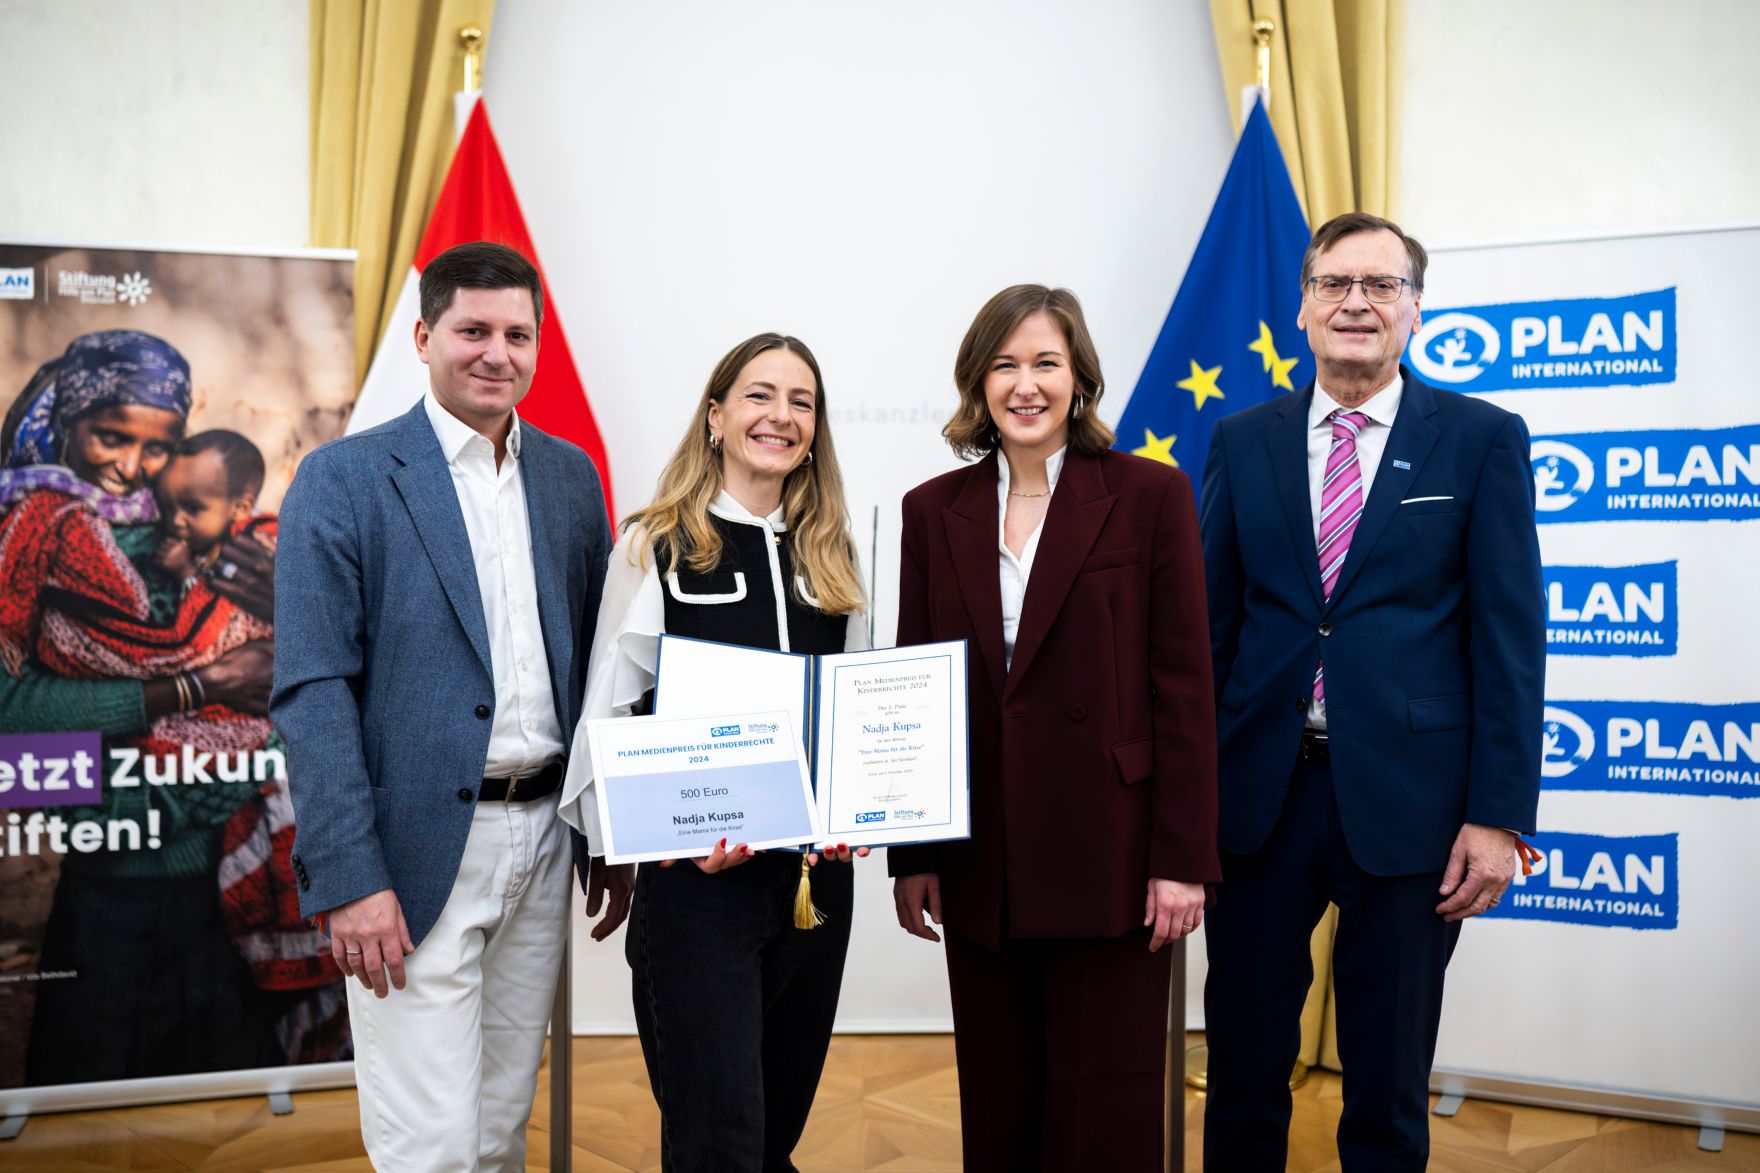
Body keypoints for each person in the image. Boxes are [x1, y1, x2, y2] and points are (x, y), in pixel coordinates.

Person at [272, 241, 630, 1171]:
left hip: (545, 836)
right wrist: (349, 873)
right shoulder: (342, 479)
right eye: (473, 330)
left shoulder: (571, 478)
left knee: (499, 1133)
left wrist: (611, 828)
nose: (495, 353)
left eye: (517, 334)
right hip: (414, 853)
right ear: (425, 336)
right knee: (429, 1147)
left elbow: (601, 671)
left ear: (538, 346)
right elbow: (311, 691)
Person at [1198, 213, 1544, 1170]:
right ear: (1304, 306)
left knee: (1389, 1080)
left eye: (1381, 285)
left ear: (1415, 309)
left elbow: (1511, 639)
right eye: (1335, 284)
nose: (1356, 302)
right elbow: (1211, 633)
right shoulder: (1241, 438)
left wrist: (1498, 815)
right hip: (1259, 799)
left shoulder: (1480, 439)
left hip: (1414, 806)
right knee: (1242, 1063)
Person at [888, 285, 1219, 1170]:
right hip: (979, 853)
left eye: (1045, 362)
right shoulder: (933, 508)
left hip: (1110, 848)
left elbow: (1184, 686)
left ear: (1080, 380)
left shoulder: (1150, 495)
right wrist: (913, 852)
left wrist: (1182, 857)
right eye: (1005, 364)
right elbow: (912, 693)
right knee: (998, 1109)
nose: (1025, 384)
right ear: (977, 383)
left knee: (1105, 1110)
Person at [557, 332, 869, 1172]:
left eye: (802, 401)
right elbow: (609, 718)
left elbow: (857, 712)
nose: (782, 415)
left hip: (814, 886)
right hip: (698, 884)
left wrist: (860, 806)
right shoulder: (653, 543)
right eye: (760, 394)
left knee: (776, 1135)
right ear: (716, 415)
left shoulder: (835, 554)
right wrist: (639, 844)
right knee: (718, 1141)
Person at [0, 329, 283, 1084]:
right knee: (86, 1098)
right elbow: (12, 712)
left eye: (154, 447)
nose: (130, 467)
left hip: (223, 878)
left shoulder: (200, 522)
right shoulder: (31, 532)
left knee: (229, 1106)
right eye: (108, 437)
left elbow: (287, 673)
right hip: (100, 881)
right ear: (68, 420)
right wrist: (199, 686)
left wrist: (283, 608)